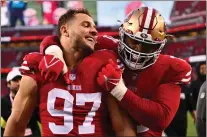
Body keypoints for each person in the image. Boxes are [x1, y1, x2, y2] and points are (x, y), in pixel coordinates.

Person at [38, 7, 192, 136]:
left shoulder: (172, 68)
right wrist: (54, 54)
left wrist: (120, 91)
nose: (138, 51)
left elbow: (160, 120)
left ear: (159, 46)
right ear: (122, 35)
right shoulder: (107, 45)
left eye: (147, 46)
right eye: (134, 41)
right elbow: (61, 39)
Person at [4, 8, 136, 136]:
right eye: (86, 25)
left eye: (94, 27)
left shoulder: (105, 66)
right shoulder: (39, 66)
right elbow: (17, 123)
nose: (94, 31)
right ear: (65, 30)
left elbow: (123, 128)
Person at [1, 69, 41, 137]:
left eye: (21, 80)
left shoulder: (32, 98)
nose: (19, 83)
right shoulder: (3, 102)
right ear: (8, 84)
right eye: (16, 80)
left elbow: (39, 117)